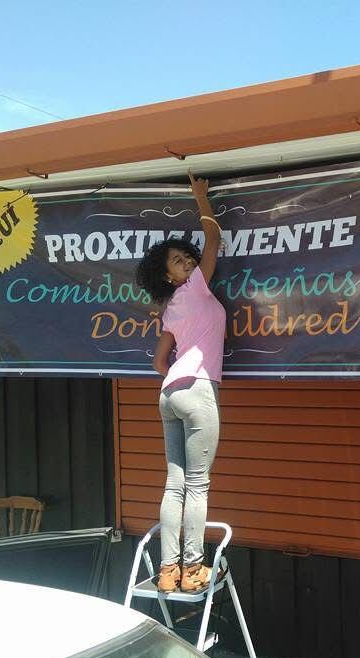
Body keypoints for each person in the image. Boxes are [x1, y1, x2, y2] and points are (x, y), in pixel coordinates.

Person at [135, 175, 225, 594]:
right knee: (197, 484)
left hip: (169, 393)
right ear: (168, 275)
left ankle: (168, 570)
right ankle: (193, 569)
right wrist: (200, 195)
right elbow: (213, 240)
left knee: (174, 484)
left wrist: (178, 366)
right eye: (177, 261)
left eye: (185, 258)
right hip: (197, 390)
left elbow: (158, 360)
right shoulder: (195, 288)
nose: (187, 263)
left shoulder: (171, 307)